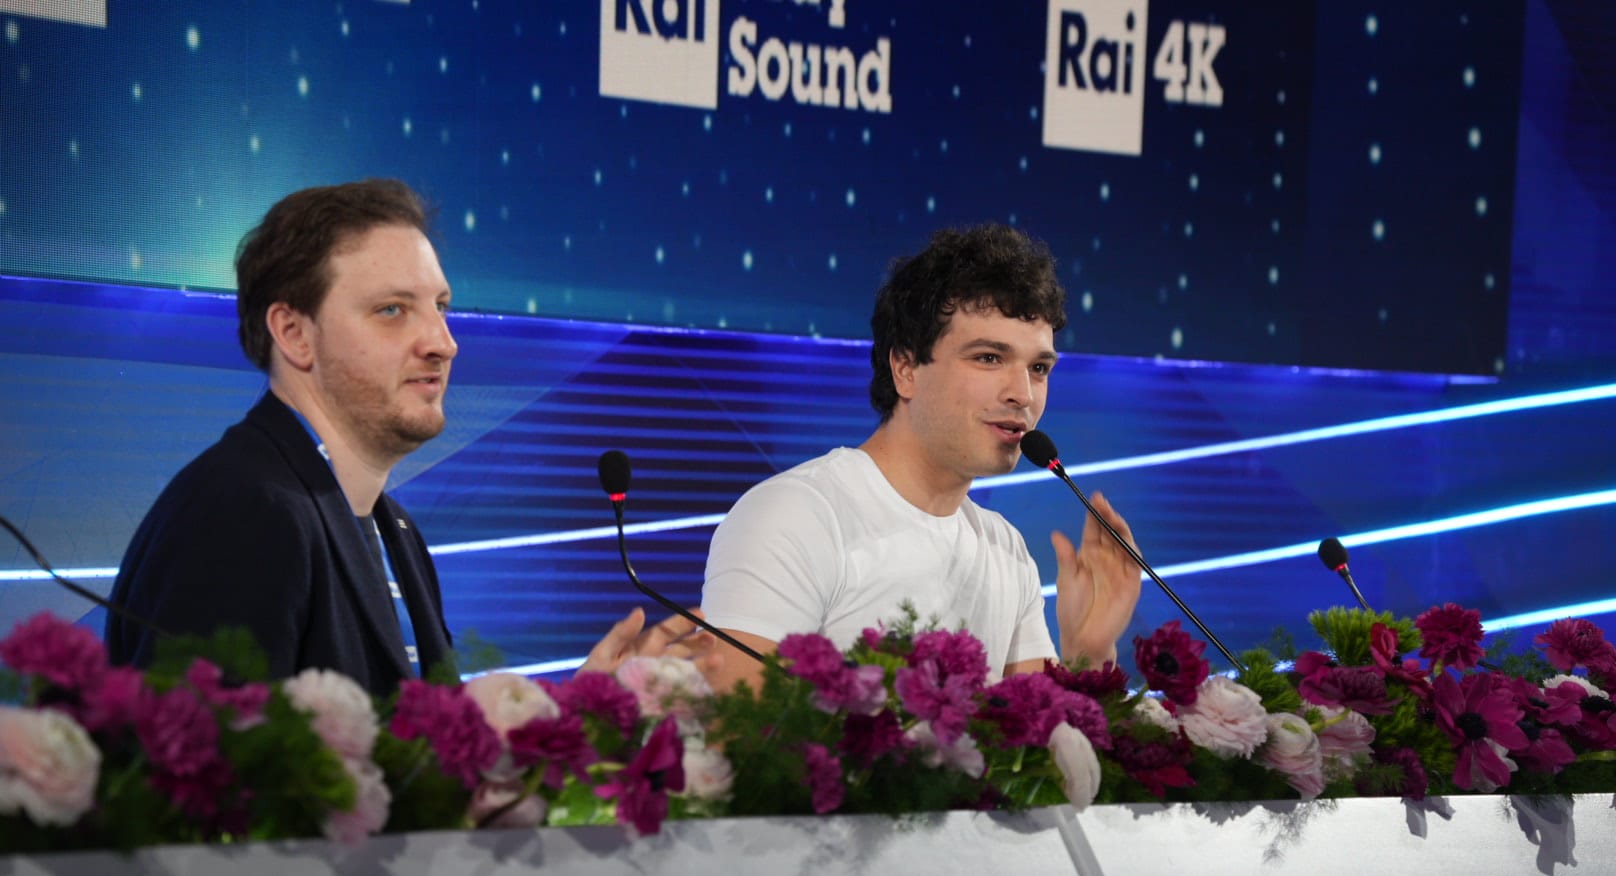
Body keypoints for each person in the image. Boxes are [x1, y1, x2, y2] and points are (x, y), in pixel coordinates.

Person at [107, 179, 706, 695]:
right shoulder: (242, 511)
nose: (443, 343)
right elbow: (202, 776)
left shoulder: (393, 528)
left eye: (440, 306)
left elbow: (421, 763)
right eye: (393, 310)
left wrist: (583, 709)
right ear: (293, 333)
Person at [701, 223, 1142, 688]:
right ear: (906, 368)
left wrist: (1088, 653)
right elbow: (740, 725)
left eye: (1038, 367)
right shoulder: (794, 516)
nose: (1023, 394)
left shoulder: (1006, 548)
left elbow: (1038, 732)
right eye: (989, 358)